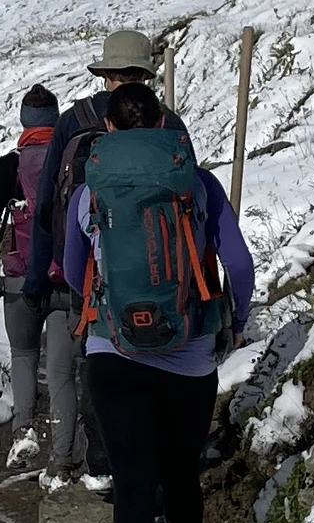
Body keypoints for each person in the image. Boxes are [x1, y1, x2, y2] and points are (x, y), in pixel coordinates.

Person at [61, 79, 253, 523]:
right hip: (190, 355)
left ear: (111, 129)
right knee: (180, 473)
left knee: (132, 477)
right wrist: (233, 322)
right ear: (162, 122)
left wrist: (107, 304)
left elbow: (76, 273)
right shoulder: (197, 183)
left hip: (113, 354)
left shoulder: (89, 191)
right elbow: (238, 265)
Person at [27, 27, 192, 490]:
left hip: (92, 279)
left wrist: (43, 278)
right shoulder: (170, 126)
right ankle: (156, 468)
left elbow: (45, 207)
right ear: (147, 77)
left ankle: (101, 464)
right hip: (164, 276)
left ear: (106, 77)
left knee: (95, 369)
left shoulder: (74, 121)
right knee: (156, 363)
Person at [0, 84, 68, 468]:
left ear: (24, 122)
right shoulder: (72, 159)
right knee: (63, 370)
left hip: (20, 278)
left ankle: (24, 431)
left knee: (25, 355)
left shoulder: (9, 166)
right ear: (56, 119)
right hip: (67, 276)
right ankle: (63, 458)